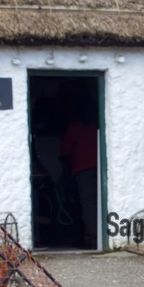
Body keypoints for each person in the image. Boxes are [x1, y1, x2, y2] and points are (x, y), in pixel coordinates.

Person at [60, 102, 98, 248]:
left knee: (88, 204)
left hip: (83, 169)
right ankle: (97, 236)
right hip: (100, 168)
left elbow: (65, 150)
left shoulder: (75, 126)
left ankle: (92, 238)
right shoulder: (96, 125)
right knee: (99, 204)